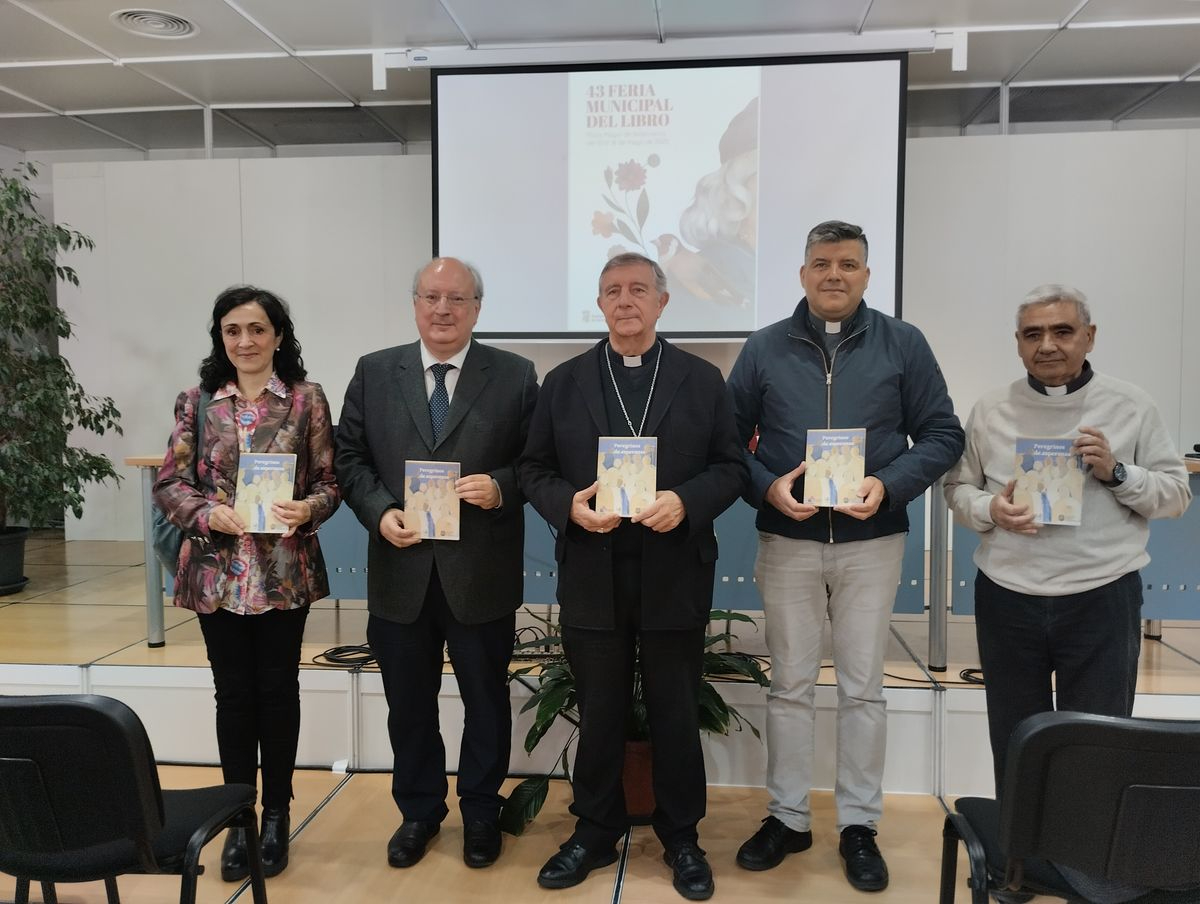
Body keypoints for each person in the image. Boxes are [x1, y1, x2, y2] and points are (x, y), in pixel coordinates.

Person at [726, 220, 964, 892]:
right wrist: (767, 485)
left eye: (849, 264)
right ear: (802, 273)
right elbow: (726, 437)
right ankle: (788, 817)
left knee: (864, 689)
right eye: (822, 263)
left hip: (871, 542)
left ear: (867, 274)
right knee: (790, 686)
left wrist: (888, 485)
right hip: (788, 539)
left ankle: (859, 824)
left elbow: (943, 433)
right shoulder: (765, 348)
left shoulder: (903, 345)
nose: (835, 275)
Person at [518, 252, 747, 901]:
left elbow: (731, 467)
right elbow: (533, 468)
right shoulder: (562, 382)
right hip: (593, 568)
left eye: (638, 289)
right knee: (600, 710)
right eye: (613, 290)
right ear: (599, 303)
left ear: (662, 301)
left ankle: (681, 836)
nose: (626, 300)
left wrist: (687, 502)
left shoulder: (703, 381)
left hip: (674, 567)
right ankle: (594, 829)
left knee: (674, 709)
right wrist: (570, 507)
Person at [943, 284, 1190, 798]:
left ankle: (1089, 868)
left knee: (1098, 740)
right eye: (1033, 334)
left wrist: (1118, 472)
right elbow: (957, 489)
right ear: (1017, 342)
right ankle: (1018, 860)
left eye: (1062, 331)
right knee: (1014, 735)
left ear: (1089, 337)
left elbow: (1175, 496)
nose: (1047, 345)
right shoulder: (991, 409)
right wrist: (992, 509)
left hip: (1101, 595)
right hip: (1008, 595)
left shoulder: (1131, 405)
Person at [335, 258, 537, 870]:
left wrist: (501, 486)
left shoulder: (516, 374)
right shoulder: (374, 371)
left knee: (485, 698)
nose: (443, 309)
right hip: (401, 571)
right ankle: (419, 811)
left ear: (478, 307)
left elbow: (538, 462)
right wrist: (379, 512)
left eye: (457, 298)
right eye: (431, 297)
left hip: (480, 571)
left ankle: (481, 811)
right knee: (409, 704)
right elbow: (349, 459)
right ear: (414, 303)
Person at [154, 286, 340, 882]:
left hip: (284, 572)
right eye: (233, 330)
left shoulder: (308, 400)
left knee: (278, 693)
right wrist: (209, 514)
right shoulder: (197, 400)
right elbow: (170, 483)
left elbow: (331, 482)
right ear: (220, 337)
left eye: (257, 329)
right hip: (216, 572)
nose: (245, 341)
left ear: (278, 336)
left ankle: (278, 815)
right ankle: (239, 819)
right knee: (233, 698)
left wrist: (308, 509)